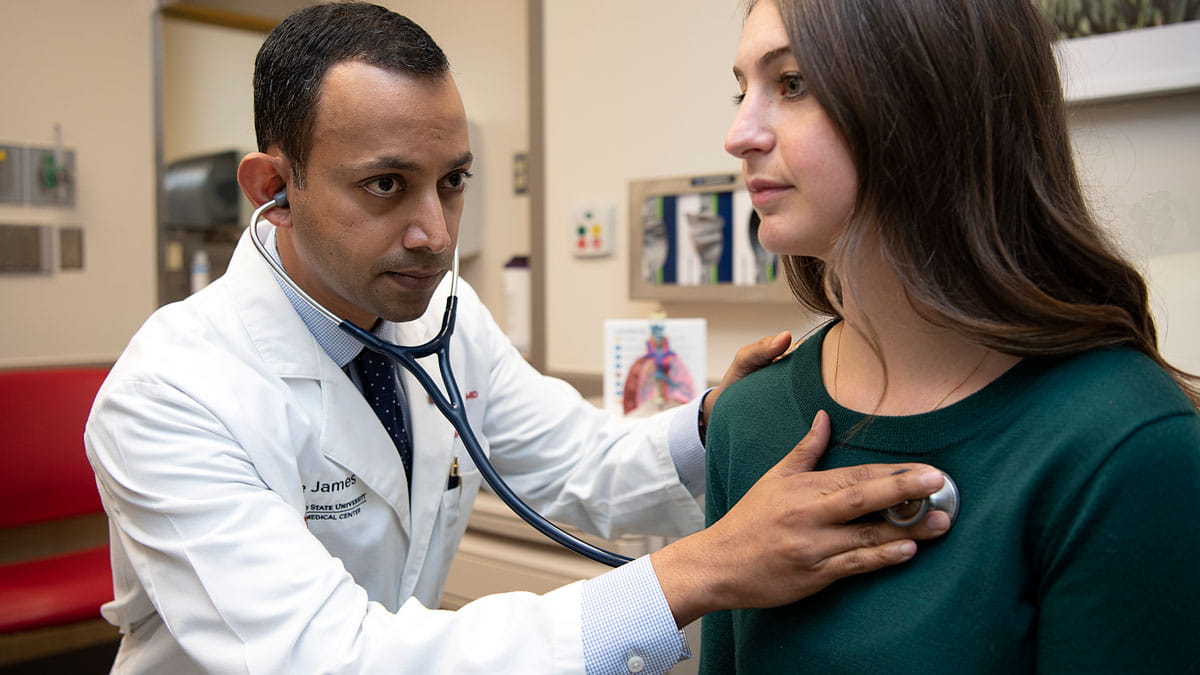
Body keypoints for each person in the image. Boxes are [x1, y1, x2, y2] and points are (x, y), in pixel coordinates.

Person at [85, 4, 953, 673]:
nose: (434, 231)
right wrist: (700, 572)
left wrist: (716, 419)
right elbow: (331, 658)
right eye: (386, 185)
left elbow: (585, 464)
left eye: (452, 181)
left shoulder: (438, 317)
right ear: (275, 185)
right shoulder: (170, 395)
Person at [700, 0, 1200, 672]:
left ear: (926, 101)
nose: (739, 134)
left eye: (792, 84)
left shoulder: (1123, 444)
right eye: (742, 90)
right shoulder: (748, 419)